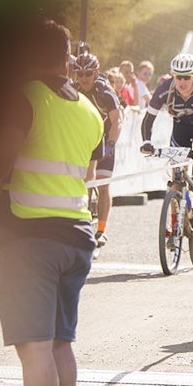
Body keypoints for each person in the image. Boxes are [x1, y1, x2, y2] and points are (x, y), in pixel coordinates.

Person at [0, 17, 104, 386]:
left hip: (27, 235)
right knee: (60, 344)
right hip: (76, 234)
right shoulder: (89, 109)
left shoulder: (26, 98)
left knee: (34, 349)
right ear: (66, 56)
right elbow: (89, 174)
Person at [140, 53, 193, 212]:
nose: (182, 81)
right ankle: (175, 224)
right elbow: (148, 119)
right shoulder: (164, 89)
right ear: (173, 75)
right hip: (181, 126)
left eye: (186, 77)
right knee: (176, 178)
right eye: (178, 77)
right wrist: (146, 142)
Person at [72, 44, 122, 247]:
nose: (84, 77)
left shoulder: (105, 92)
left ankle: (101, 229)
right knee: (83, 179)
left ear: (96, 73)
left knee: (102, 182)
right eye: (80, 73)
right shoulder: (72, 89)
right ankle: (80, 221)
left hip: (105, 137)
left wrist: (110, 143)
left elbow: (117, 121)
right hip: (84, 139)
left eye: (89, 73)